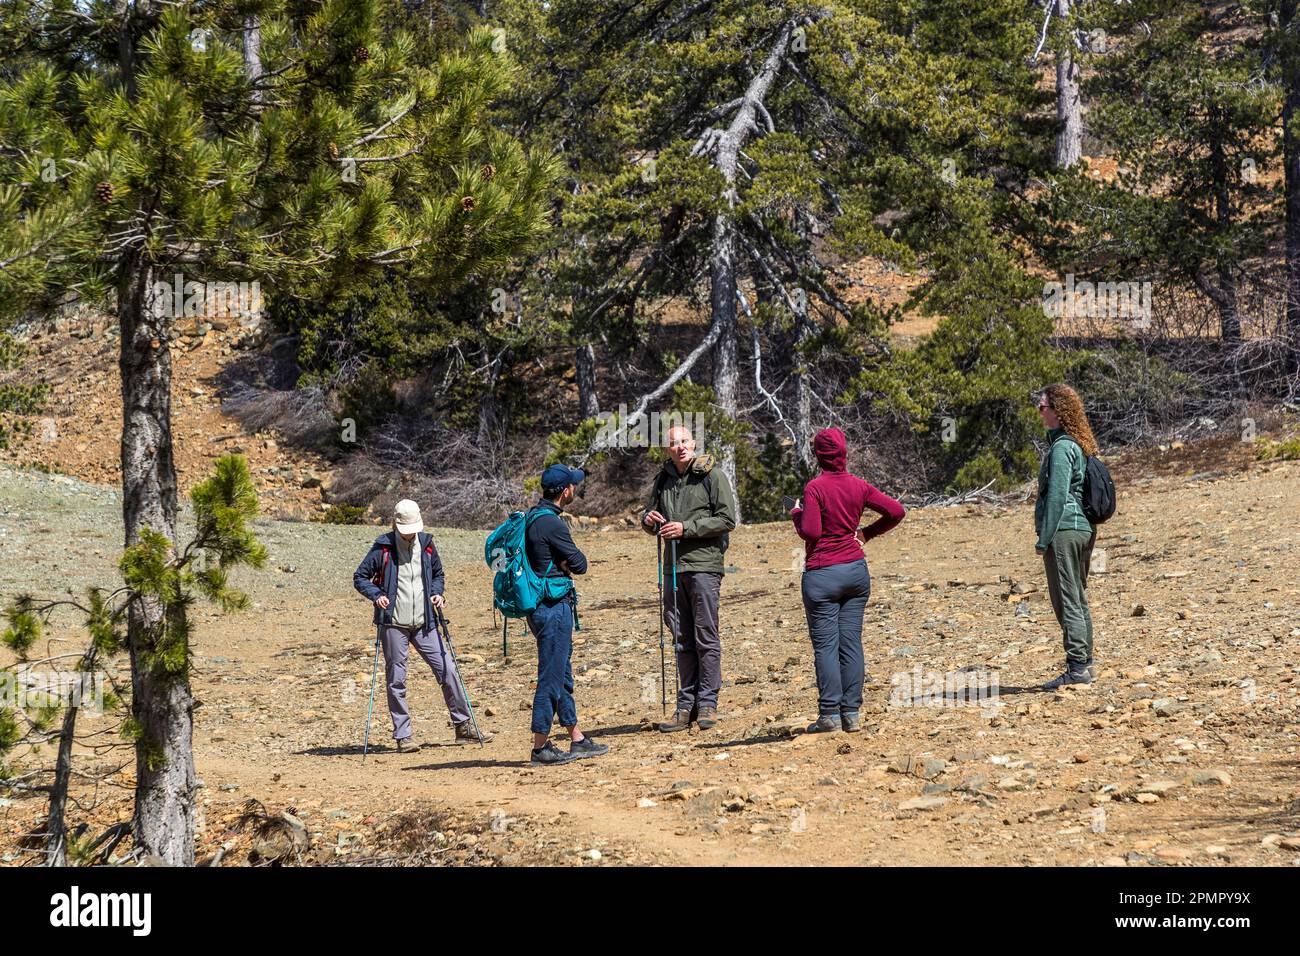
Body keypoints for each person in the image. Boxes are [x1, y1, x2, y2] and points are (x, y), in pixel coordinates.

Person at [790, 427, 905, 733]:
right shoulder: (858, 485)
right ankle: (851, 712)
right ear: (845, 454)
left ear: (817, 456)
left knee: (826, 646)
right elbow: (896, 511)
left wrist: (796, 514)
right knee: (851, 642)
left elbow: (811, 531)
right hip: (855, 571)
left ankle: (829, 713)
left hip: (822, 573)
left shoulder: (815, 488)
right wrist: (867, 532)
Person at [353, 499, 490, 752]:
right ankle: (403, 736)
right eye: (406, 528)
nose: (410, 533)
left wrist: (438, 594)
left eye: (413, 528)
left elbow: (438, 574)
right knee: (397, 679)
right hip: (393, 623)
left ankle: (463, 726)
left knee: (447, 669)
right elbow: (360, 577)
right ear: (395, 524)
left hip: (425, 621)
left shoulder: (427, 545)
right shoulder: (382, 547)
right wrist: (376, 594)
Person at [642, 424, 739, 732]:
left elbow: (726, 520)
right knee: (681, 637)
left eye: (684, 441)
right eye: (674, 443)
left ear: (694, 443)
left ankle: (708, 704)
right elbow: (650, 517)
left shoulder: (713, 476)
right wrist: (649, 521)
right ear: (667, 449)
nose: (680, 447)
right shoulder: (663, 479)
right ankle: (686, 706)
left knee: (705, 635)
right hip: (672, 568)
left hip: (704, 566)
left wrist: (686, 528)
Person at [523, 464, 608, 765]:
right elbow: (581, 564)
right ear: (565, 491)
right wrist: (564, 563)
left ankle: (577, 738)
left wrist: (562, 563)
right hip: (553, 607)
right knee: (551, 675)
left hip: (541, 606)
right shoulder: (553, 524)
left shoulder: (533, 516)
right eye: (573, 486)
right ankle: (540, 746)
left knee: (562, 673)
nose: (576, 489)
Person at [1035, 384, 1100, 689]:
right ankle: (1085, 663)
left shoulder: (1062, 448)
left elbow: (1057, 497)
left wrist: (1043, 538)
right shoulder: (1079, 444)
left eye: (1043, 406)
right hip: (1083, 527)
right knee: (1077, 596)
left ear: (1058, 411)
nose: (1040, 412)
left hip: (1065, 529)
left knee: (1066, 599)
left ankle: (1077, 667)